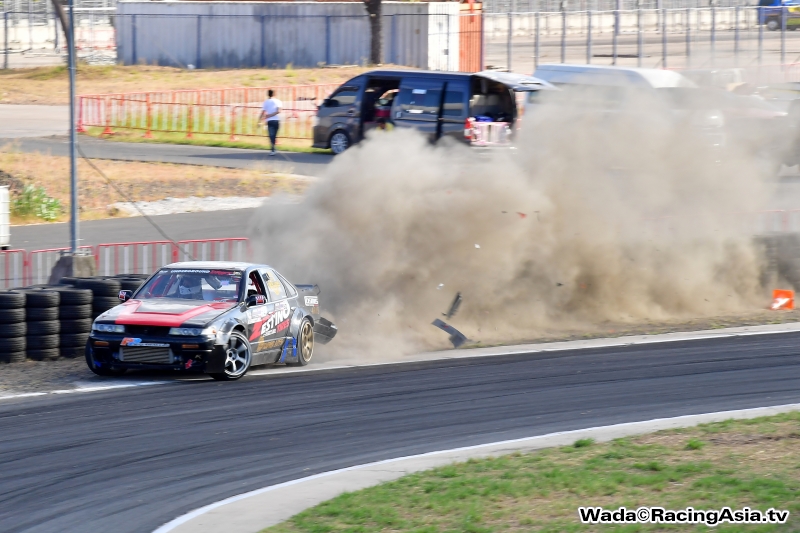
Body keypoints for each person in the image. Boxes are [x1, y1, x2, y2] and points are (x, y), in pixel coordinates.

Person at [259, 89, 283, 156]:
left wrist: (259, 121)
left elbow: (262, 112)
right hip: (277, 120)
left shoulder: (266, 102)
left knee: (271, 136)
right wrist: (272, 115)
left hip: (270, 121)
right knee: (274, 135)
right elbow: (279, 111)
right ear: (274, 94)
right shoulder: (278, 101)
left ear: (268, 94)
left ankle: (273, 149)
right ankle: (273, 148)